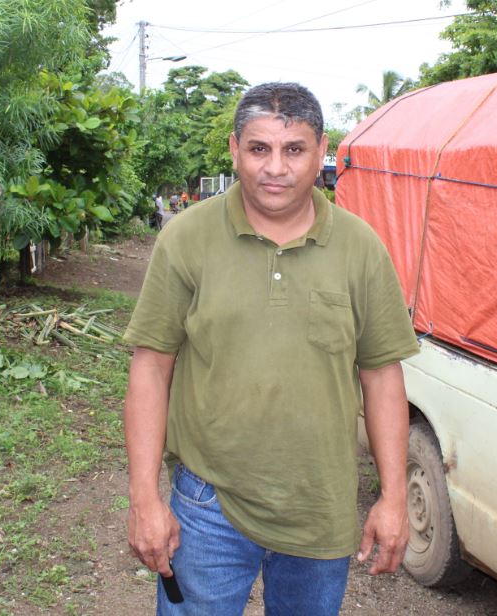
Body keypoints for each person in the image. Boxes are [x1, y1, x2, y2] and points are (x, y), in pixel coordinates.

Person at [123, 82, 419, 615]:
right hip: (207, 502)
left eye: (294, 149)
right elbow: (151, 367)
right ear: (235, 151)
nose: (275, 168)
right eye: (259, 149)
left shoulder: (360, 249)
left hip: (319, 503)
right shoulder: (187, 238)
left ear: (321, 150)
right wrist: (145, 499)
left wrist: (394, 497)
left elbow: (382, 376)